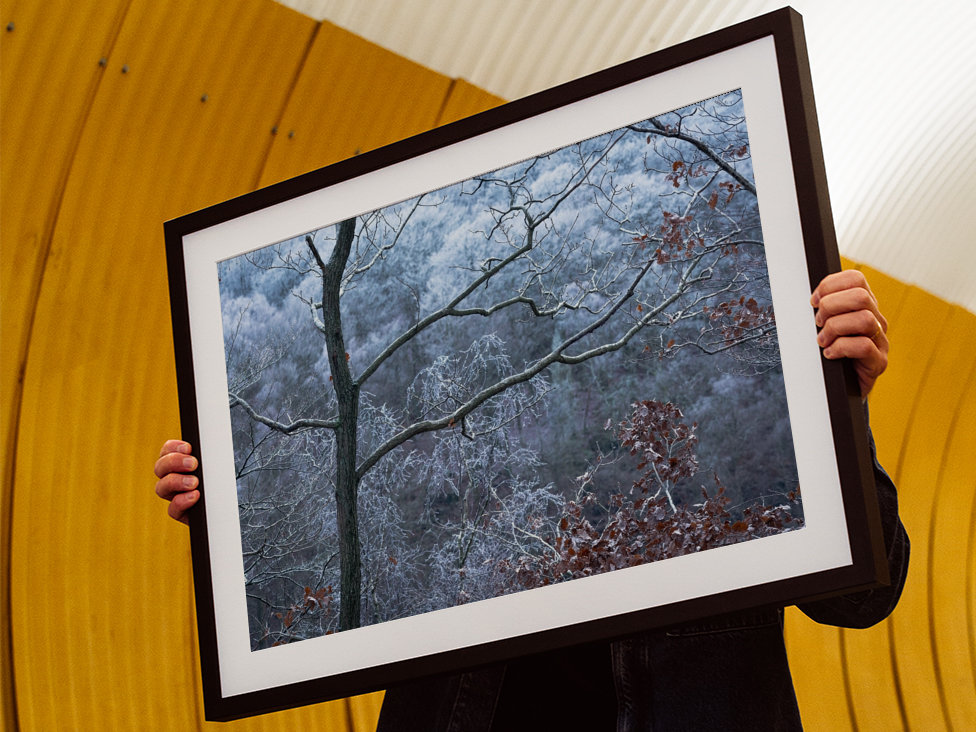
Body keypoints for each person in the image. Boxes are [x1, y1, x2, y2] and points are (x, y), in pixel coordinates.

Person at [154, 270, 909, 731]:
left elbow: (865, 596)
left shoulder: (729, 437)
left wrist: (838, 406)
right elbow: (346, 551)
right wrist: (233, 502)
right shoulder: (454, 465)